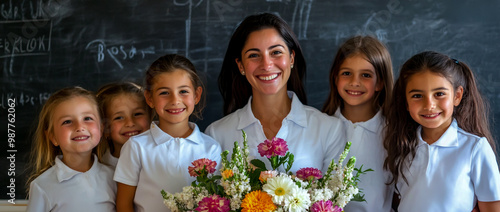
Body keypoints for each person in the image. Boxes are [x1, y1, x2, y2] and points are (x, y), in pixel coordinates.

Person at [205, 13, 345, 173]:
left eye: (276, 52)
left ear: (292, 58)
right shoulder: (217, 134)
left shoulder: (329, 129)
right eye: (254, 55)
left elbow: (335, 195)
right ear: (241, 66)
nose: (266, 64)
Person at [384, 51, 500, 211]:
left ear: (457, 96)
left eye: (439, 94)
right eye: (417, 95)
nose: (429, 105)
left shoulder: (475, 148)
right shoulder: (403, 146)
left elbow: (493, 207)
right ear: (405, 102)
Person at [114, 54, 222, 212]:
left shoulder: (211, 148)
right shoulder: (136, 147)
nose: (175, 100)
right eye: (164, 93)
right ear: (149, 98)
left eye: (183, 91)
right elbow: (124, 204)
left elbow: (216, 200)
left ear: (196, 95)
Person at [322, 35, 394, 211]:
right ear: (335, 78)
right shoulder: (318, 126)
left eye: (366, 75)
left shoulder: (393, 134)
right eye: (347, 73)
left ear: (380, 83)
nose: (355, 82)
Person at [26, 87, 116, 212]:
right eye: (67, 121)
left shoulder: (114, 177)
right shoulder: (42, 186)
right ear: (53, 137)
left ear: (101, 128)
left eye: (87, 118)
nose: (80, 127)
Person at [96, 82, 151, 168]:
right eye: (119, 118)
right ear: (105, 128)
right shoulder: (101, 169)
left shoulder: (165, 156)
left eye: (137, 114)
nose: (130, 123)